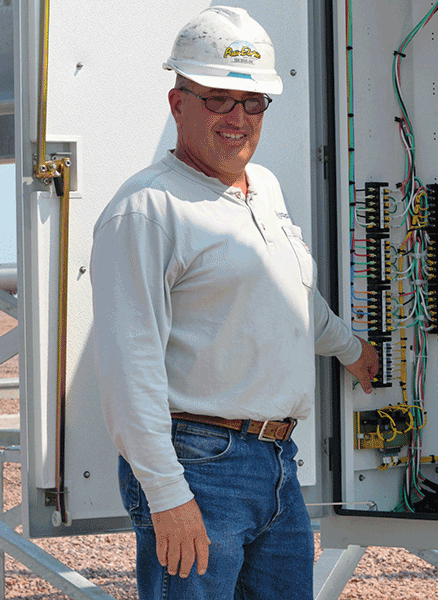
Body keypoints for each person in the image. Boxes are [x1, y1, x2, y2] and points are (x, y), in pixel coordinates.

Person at [90, 6, 378, 600]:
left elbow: (291, 293)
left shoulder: (263, 188)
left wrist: (350, 349)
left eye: (252, 103)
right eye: (218, 100)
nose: (237, 119)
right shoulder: (148, 209)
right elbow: (129, 368)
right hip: (197, 466)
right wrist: (168, 497)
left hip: (276, 462)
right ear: (178, 103)